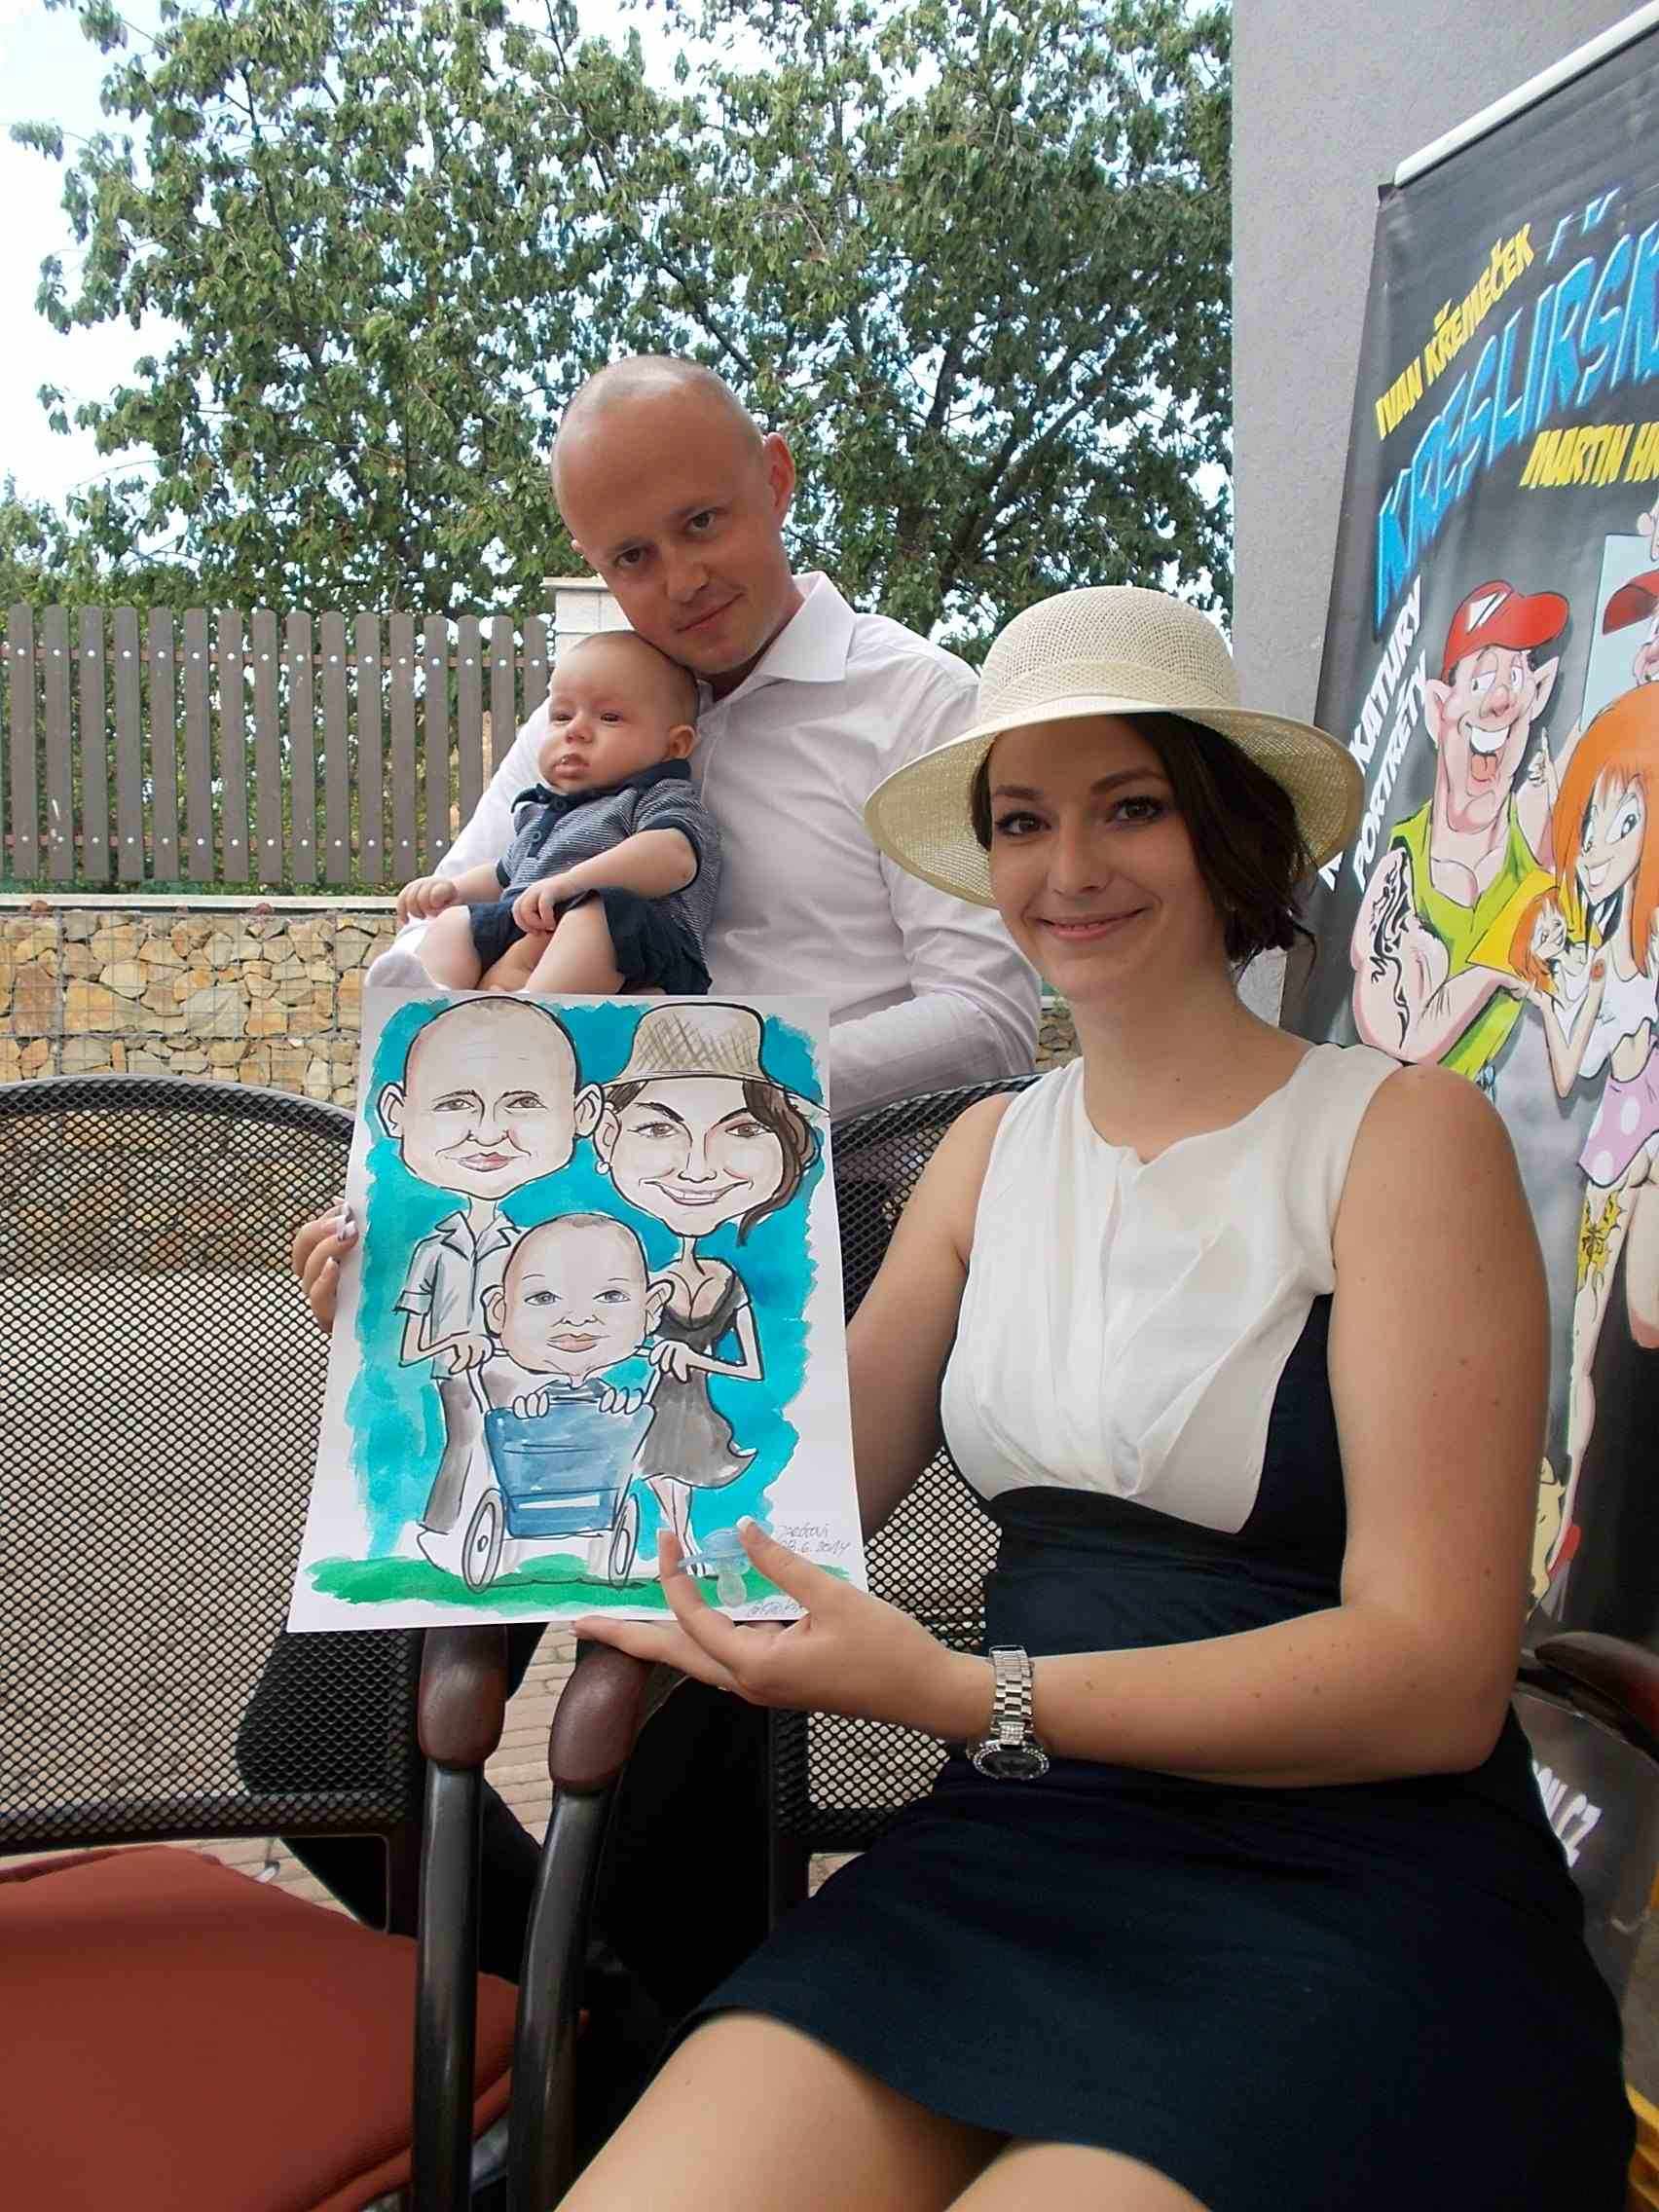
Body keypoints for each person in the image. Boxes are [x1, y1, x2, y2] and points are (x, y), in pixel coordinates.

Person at [566, 586, 1632, 2211]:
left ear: (1226, 832)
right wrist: (448, 1302)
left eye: (1128, 807)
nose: (1067, 869)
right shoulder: (986, 1152)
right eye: (1021, 820)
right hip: (1014, 1852)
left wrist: (966, 1695)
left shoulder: (1405, 1138)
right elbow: (766, 1486)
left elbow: (1429, 1681)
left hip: (1348, 1883)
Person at [287, 355, 1037, 2014]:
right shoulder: (589, 707)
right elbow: (435, 978)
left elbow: (988, 1014)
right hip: (526, 1239)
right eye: (628, 553)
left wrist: (711, 1092)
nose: (676, 577)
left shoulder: (918, 701)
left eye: (702, 520)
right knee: (317, 1750)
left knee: (678, 1796)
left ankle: (641, 2064)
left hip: (792, 1253)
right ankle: (596, 2035)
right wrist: (379, 1194)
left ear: (776, 476)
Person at [589, 999, 821, 1563]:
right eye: (657, 1128)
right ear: (607, 1137)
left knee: (676, 1472)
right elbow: (615, 1342)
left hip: (694, 1407)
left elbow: (752, 1368)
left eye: (742, 1129)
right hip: (652, 1403)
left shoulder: (728, 1280)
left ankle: (680, 1546)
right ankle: (674, 1546)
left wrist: (693, 1358)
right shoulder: (647, 1278)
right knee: (657, 1475)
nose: (697, 1169)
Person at [394, 630, 718, 998]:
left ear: (674, 745)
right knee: (457, 921)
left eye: (609, 717)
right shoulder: (544, 811)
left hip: (637, 947)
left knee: (597, 914)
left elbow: (674, 858)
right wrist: (453, 890)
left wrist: (574, 883)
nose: (576, 731)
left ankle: (538, 1012)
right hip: (531, 922)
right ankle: (433, 997)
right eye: (562, 716)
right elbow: (503, 874)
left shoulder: (656, 796)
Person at [1349, 577, 1568, 1086]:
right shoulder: (1401, 871)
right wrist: (1495, 970)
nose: (1501, 698)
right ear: (1437, 710)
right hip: (1401, 1116)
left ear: (1537, 695)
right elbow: (1400, 1035)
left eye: (1517, 677)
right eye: (1482, 678)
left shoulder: (1538, 837)